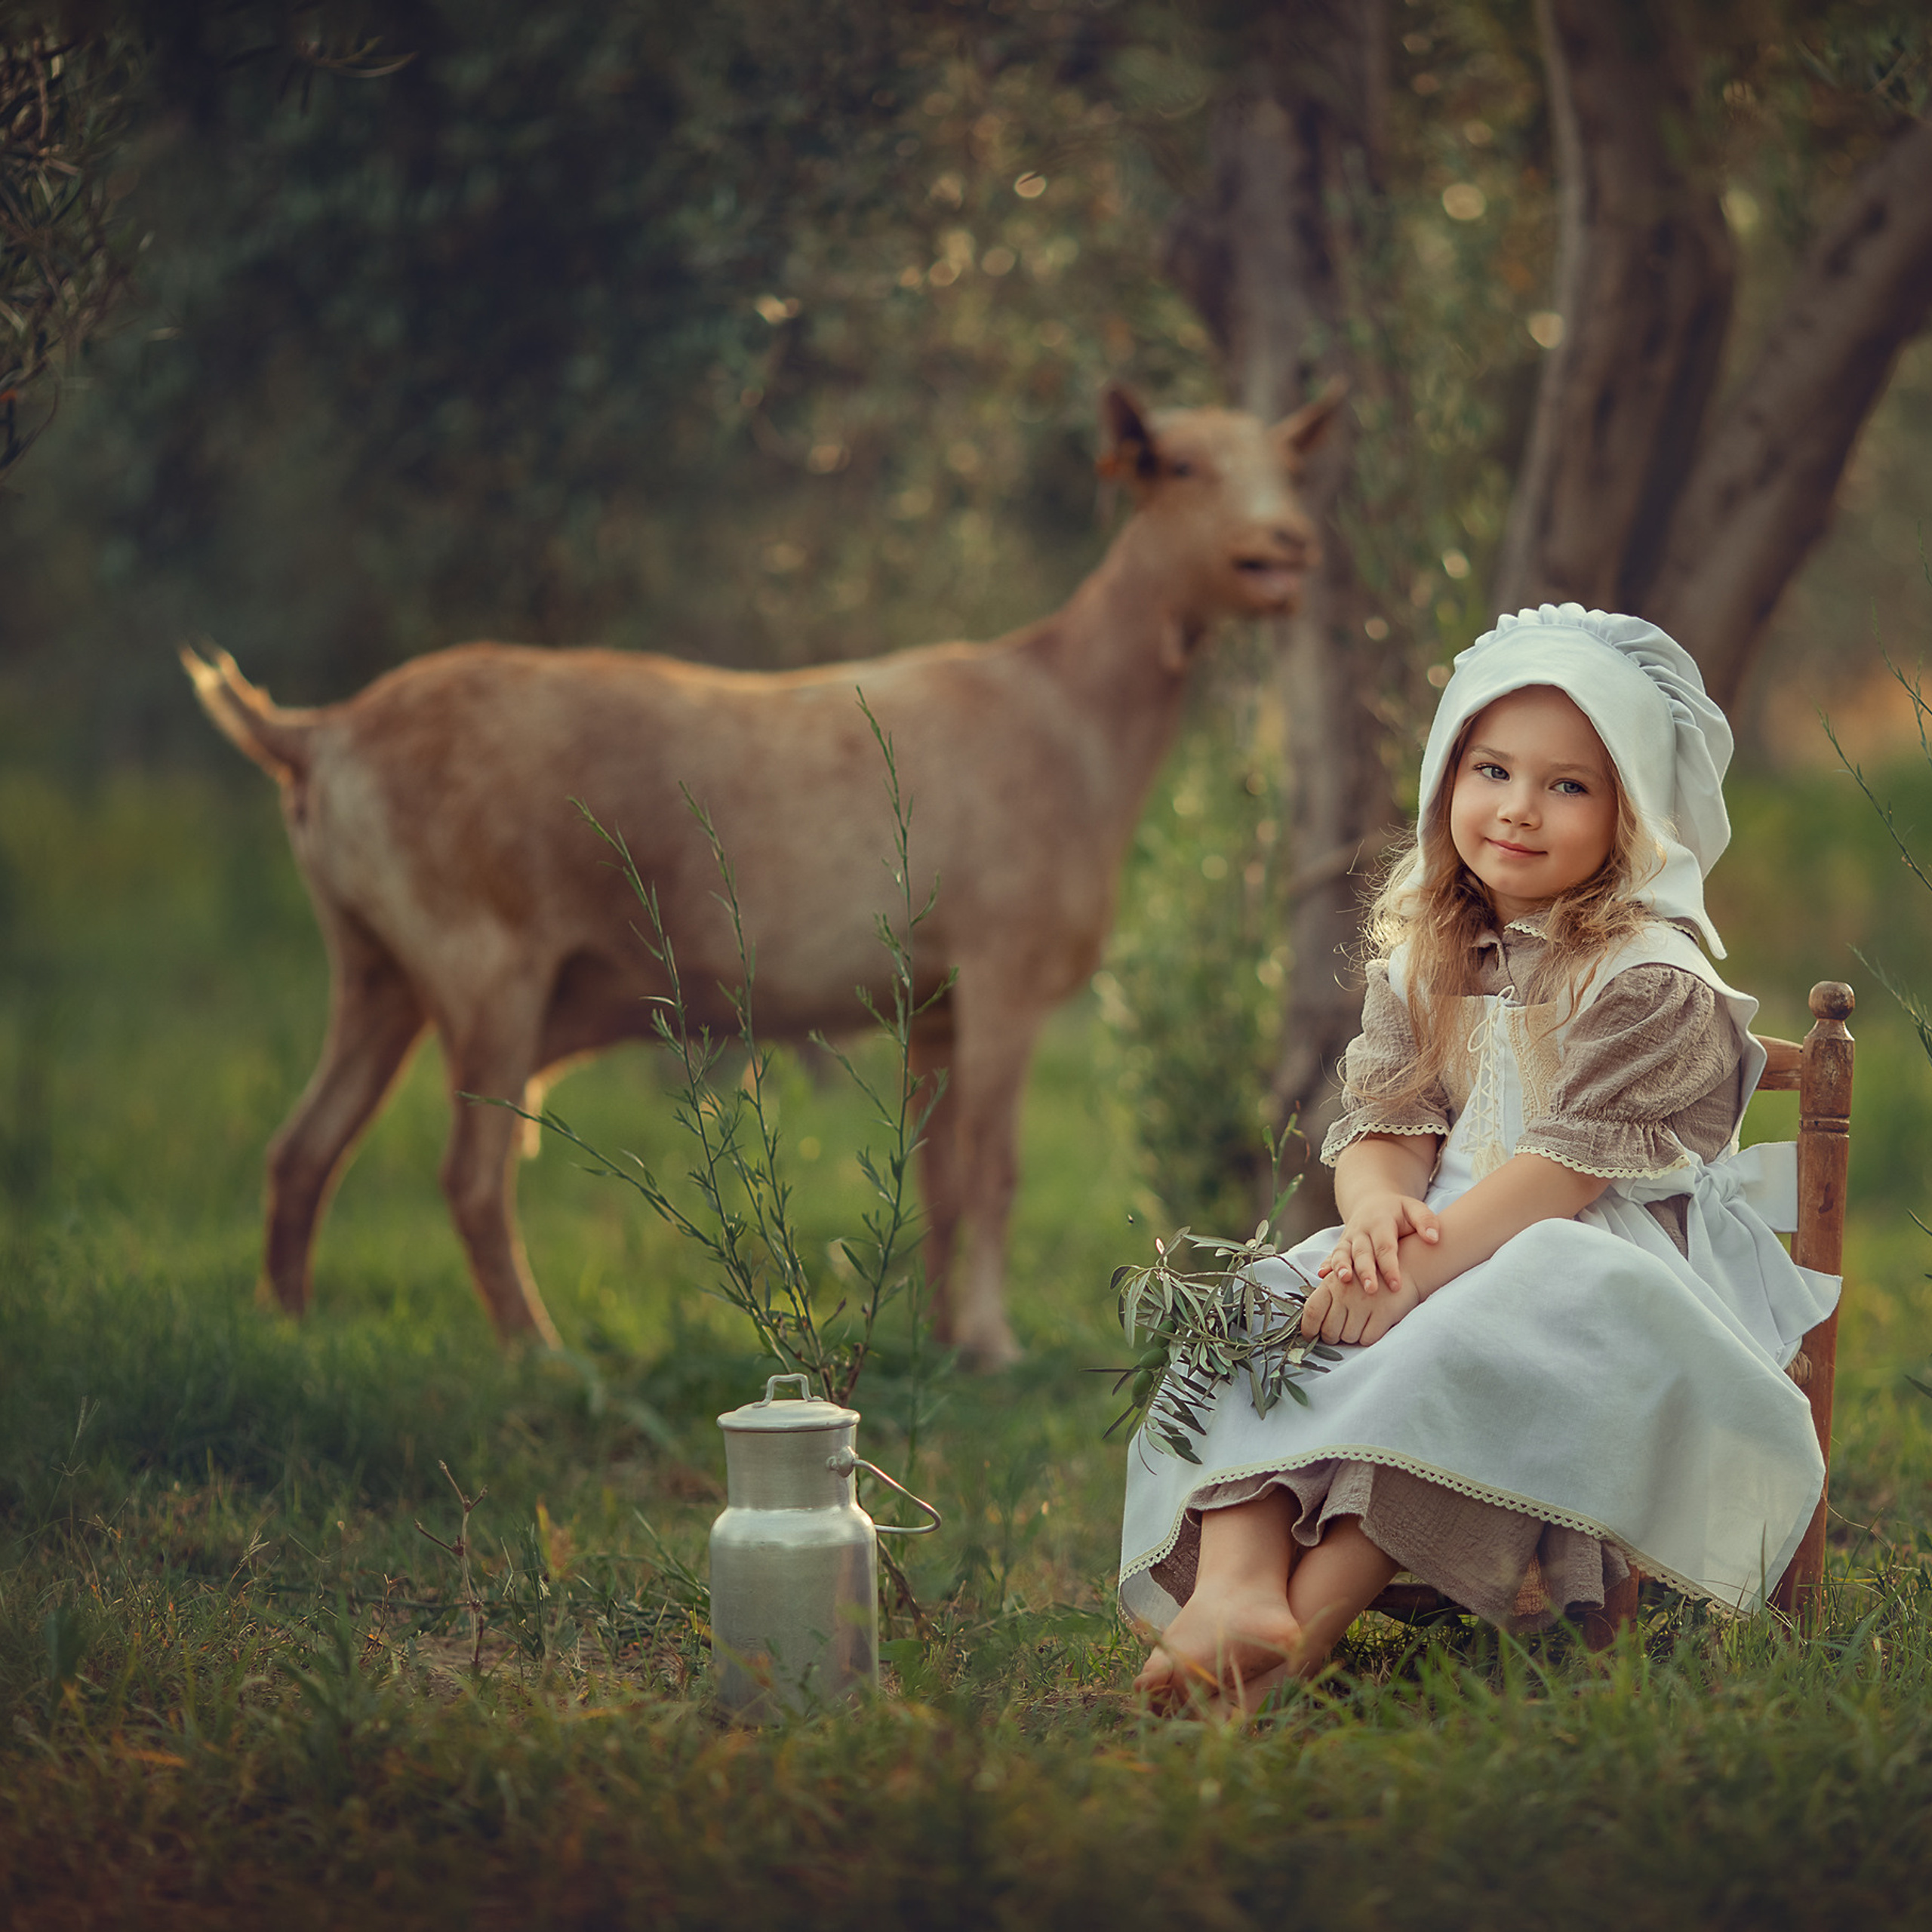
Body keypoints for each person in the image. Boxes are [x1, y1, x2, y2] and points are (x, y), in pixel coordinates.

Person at [1121, 604, 1839, 1713]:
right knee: (1259, 1305)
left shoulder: (1653, 976)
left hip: (1597, 1259)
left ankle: (1290, 1649)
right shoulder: (1427, 958)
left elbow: (1567, 1175)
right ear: (1446, 776)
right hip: (1435, 1236)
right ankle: (1237, 1586)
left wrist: (1414, 1271)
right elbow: (1388, 1124)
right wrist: (1374, 1218)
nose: (1517, 808)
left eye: (1569, 785)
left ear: (1630, 813)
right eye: (1492, 769)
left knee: (1467, 1347)